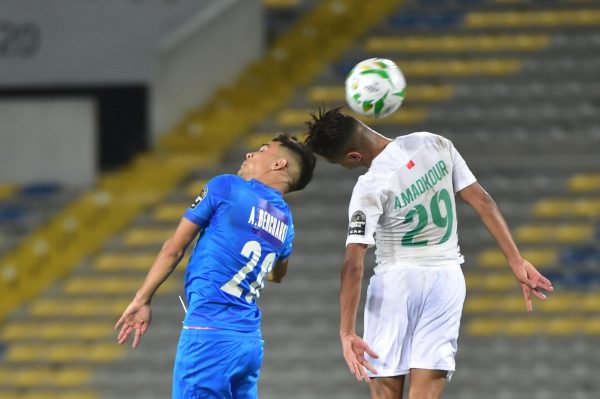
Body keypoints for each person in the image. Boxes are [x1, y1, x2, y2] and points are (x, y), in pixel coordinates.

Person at [304, 108, 554, 399]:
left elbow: (353, 264)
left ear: (353, 157)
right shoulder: (434, 142)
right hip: (447, 280)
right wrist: (516, 260)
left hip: (397, 283)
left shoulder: (370, 185)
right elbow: (484, 202)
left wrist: (346, 331)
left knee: (386, 392)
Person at [114, 134, 316, 399]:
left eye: (262, 150)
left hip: (209, 335)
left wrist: (142, 298)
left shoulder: (227, 187)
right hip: (248, 343)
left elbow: (174, 248)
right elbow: (278, 274)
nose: (250, 154)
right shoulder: (286, 222)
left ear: (279, 164)